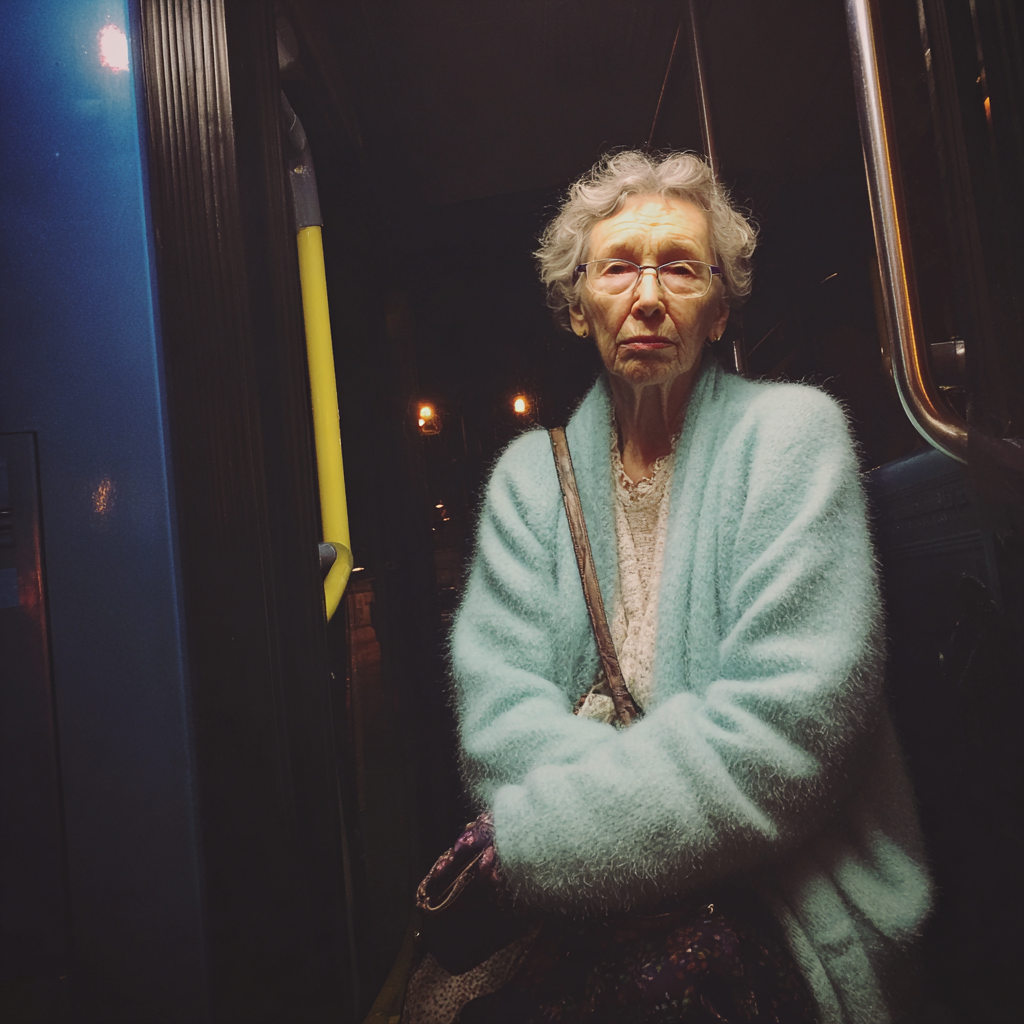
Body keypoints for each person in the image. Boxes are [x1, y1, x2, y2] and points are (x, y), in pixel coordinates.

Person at [437, 151, 931, 1023]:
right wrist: (614, 838)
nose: (649, 295)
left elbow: (790, 733)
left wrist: (552, 834)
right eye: (619, 266)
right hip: (585, 905)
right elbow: (497, 729)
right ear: (576, 303)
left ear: (719, 310)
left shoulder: (793, 438)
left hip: (782, 891)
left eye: (680, 267)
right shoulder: (526, 481)